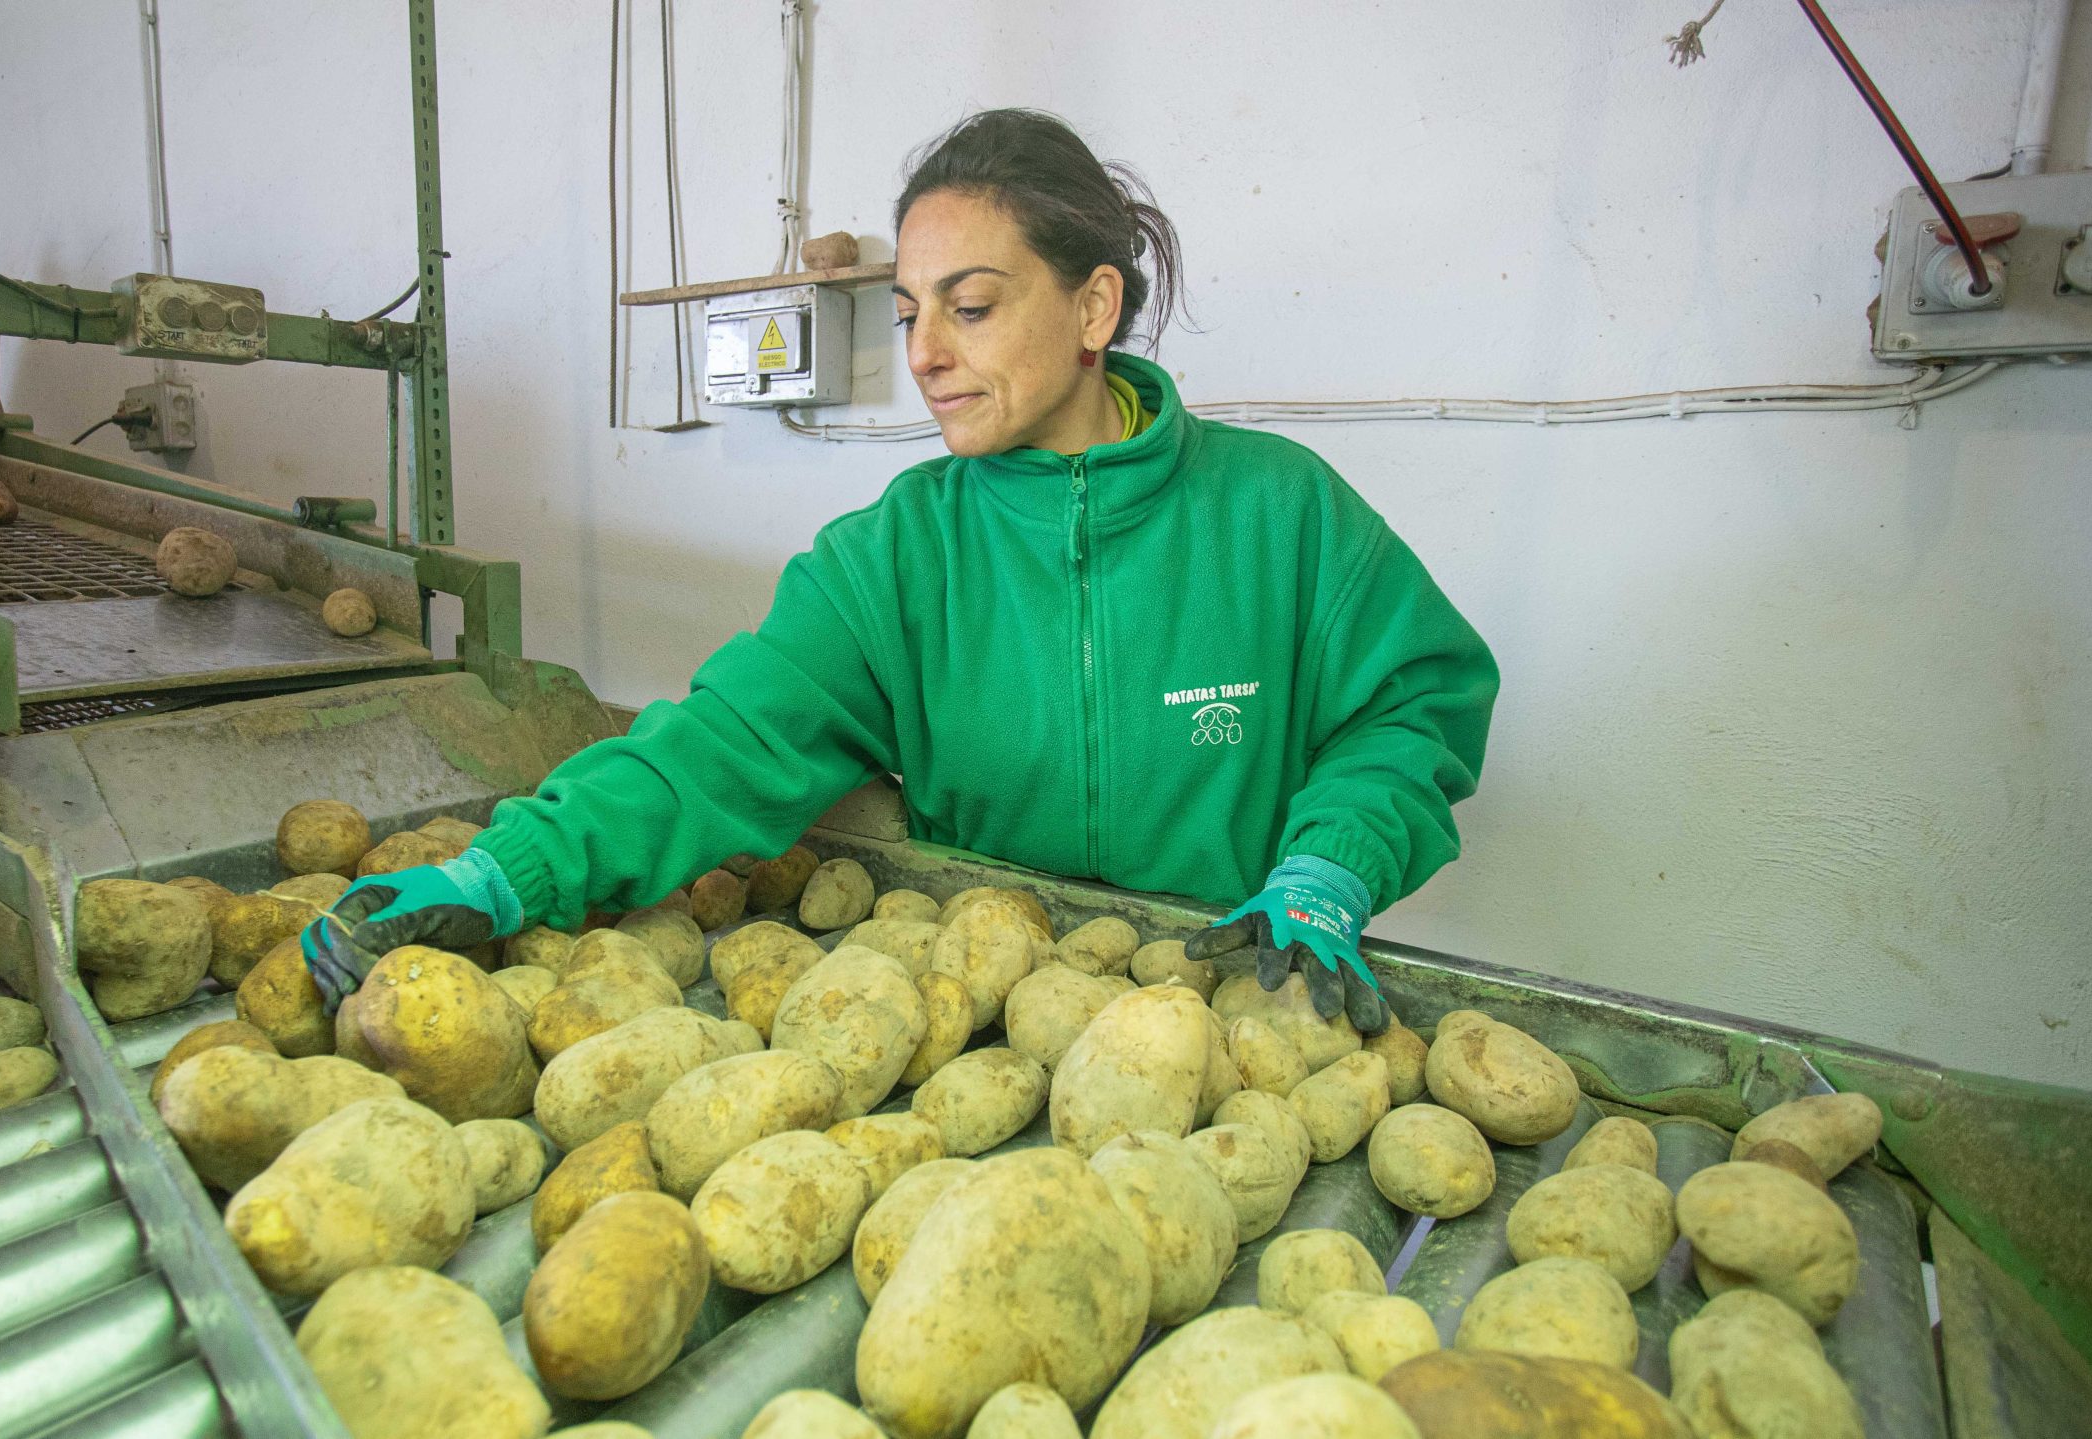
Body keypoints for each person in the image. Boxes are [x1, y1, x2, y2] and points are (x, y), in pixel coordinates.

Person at [302, 109, 1497, 1034]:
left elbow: (1413, 708)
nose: (924, 354)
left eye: (970, 308)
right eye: (907, 312)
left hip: (1227, 1006)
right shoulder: (891, 560)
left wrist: (1333, 861)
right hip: (979, 1007)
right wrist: (507, 870)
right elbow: (717, 748)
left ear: (1093, 305)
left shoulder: (1276, 514)